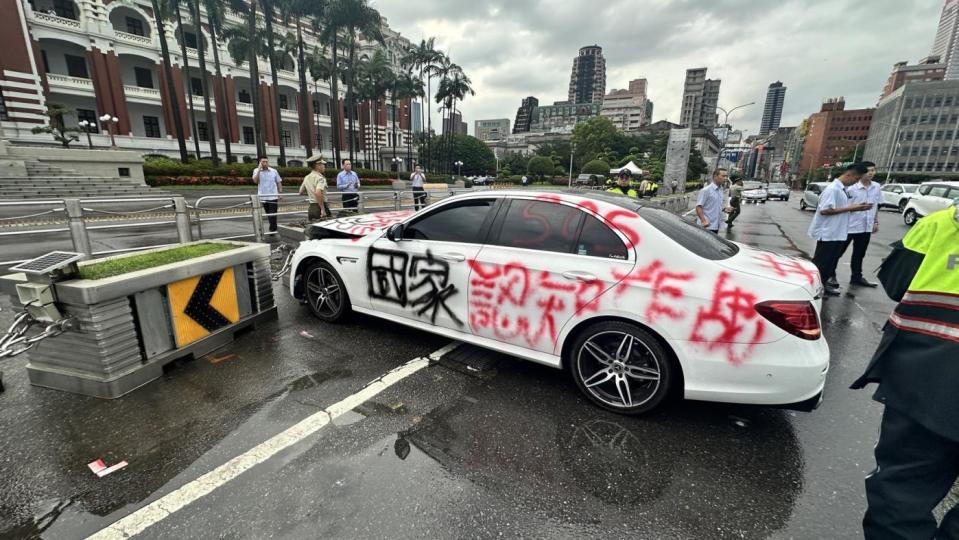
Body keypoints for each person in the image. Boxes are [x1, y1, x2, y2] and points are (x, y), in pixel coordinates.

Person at [851, 203, 959, 539]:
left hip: (928, 374)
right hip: (929, 373)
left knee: (901, 493)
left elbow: (896, 281)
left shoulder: (942, 223)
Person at [807, 162, 874, 296]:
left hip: (837, 232)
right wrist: (852, 208)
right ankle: (813, 288)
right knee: (822, 263)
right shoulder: (833, 189)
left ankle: (823, 286)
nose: (855, 183)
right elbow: (825, 210)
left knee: (830, 263)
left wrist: (857, 207)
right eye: (855, 179)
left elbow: (839, 208)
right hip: (828, 233)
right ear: (850, 174)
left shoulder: (841, 189)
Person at [838, 161, 882, 287]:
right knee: (838, 252)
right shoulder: (851, 187)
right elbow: (843, 206)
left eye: (873, 170)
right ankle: (830, 275)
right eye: (868, 171)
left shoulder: (876, 187)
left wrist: (875, 221)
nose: (871, 173)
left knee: (859, 254)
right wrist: (857, 208)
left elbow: (876, 205)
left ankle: (856, 277)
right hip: (850, 225)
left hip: (866, 226)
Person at [252, 157, 281, 232]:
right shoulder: (256, 170)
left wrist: (280, 193)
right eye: (263, 161)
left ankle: (272, 229)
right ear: (260, 162)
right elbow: (255, 181)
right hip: (263, 196)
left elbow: (278, 182)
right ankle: (274, 227)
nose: (265, 163)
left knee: (273, 213)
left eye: (266, 161)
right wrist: (259, 169)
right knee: (268, 213)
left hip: (273, 196)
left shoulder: (273, 171)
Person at [695, 168, 729, 233]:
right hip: (706, 226)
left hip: (716, 225)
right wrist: (703, 221)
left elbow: (714, 205)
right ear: (715, 176)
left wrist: (724, 209)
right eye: (723, 176)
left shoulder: (720, 190)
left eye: (726, 176)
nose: (726, 178)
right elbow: (698, 206)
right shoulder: (706, 190)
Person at [299, 155, 328, 221]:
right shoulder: (320, 178)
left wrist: (311, 193)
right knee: (325, 230)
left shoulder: (307, 177)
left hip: (311, 208)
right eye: (322, 164)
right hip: (320, 207)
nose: (324, 166)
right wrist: (323, 209)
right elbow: (318, 192)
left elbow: (301, 192)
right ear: (317, 166)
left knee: (312, 230)